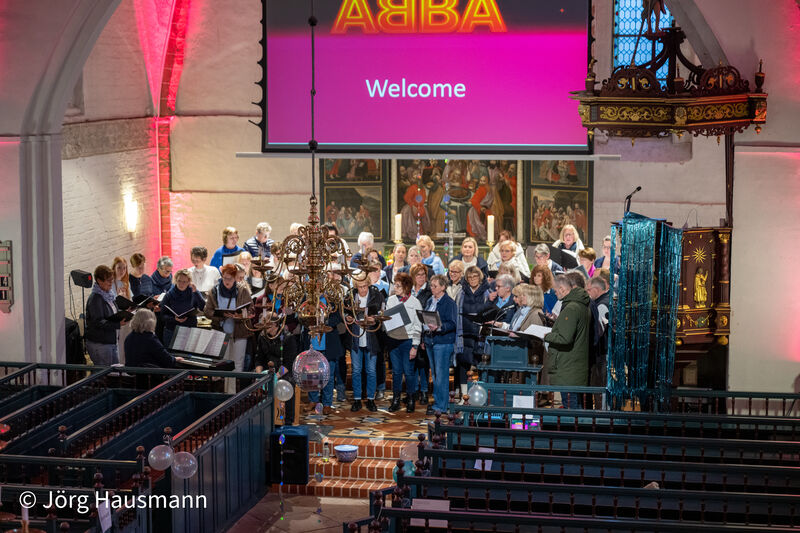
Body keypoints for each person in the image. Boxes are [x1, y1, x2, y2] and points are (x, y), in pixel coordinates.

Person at [543, 275, 591, 409]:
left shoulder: (571, 308)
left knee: (571, 408)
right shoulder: (580, 305)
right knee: (575, 406)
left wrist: (547, 336)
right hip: (573, 365)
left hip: (568, 366)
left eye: (556, 291)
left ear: (562, 289)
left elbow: (565, 338)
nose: (555, 293)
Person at [204, 264, 253, 392]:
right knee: (222, 363)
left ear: (235, 278)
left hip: (239, 331)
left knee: (238, 364)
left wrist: (239, 315)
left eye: (230, 278)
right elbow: (207, 311)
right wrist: (220, 316)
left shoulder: (242, 290)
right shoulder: (214, 291)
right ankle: (224, 393)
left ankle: (234, 394)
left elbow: (251, 309)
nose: (227, 281)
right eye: (225, 278)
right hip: (220, 330)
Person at [384, 272, 422, 413]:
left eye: (398, 285)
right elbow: (387, 319)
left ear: (406, 287)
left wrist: (415, 346)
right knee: (396, 372)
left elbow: (418, 326)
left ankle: (411, 399)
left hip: (408, 341)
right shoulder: (391, 300)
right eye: (395, 285)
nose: (395, 287)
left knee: (409, 372)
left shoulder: (415, 302)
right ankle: (396, 399)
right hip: (393, 340)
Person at [346, 277, 385, 412]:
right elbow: (344, 312)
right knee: (356, 370)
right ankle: (357, 399)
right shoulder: (350, 296)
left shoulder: (376, 296)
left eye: (364, 286)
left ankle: (370, 399)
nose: (362, 289)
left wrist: (374, 319)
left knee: (371, 370)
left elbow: (382, 313)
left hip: (371, 339)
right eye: (360, 287)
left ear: (368, 285)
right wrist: (348, 318)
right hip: (356, 339)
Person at [421, 274, 457, 415]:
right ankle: (438, 402)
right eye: (431, 285)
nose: (432, 288)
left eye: (435, 286)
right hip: (430, 340)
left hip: (443, 342)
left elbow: (453, 323)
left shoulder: (449, 303)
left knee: (441, 375)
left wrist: (439, 327)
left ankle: (441, 405)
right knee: (435, 375)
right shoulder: (430, 300)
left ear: (443, 287)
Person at [85, 265, 127, 366]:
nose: (111, 282)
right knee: (107, 373)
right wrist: (118, 324)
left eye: (112, 279)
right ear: (99, 281)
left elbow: (112, 312)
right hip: (100, 344)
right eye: (108, 280)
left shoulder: (108, 295)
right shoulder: (95, 299)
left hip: (110, 341)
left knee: (115, 371)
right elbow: (98, 322)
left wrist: (126, 312)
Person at [458, 265, 489, 400]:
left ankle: (481, 396)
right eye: (469, 277)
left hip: (480, 335)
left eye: (475, 276)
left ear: (480, 277)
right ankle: (464, 396)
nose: (472, 279)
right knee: (463, 364)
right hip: (464, 334)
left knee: (481, 365)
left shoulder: (486, 293)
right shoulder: (461, 293)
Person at [160, 268, 205, 346]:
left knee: (188, 352)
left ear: (189, 282)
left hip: (189, 329)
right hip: (172, 330)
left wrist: (196, 292)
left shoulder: (193, 292)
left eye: (184, 282)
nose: (181, 284)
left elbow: (202, 307)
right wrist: (174, 319)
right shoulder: (169, 295)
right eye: (179, 281)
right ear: (175, 280)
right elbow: (162, 315)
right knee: (171, 352)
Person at [587, 276, 610, 395]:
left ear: (596, 289)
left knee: (600, 387)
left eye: (588, 290)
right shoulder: (607, 300)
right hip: (604, 351)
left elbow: (598, 330)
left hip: (602, 352)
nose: (587, 293)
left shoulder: (602, 305)